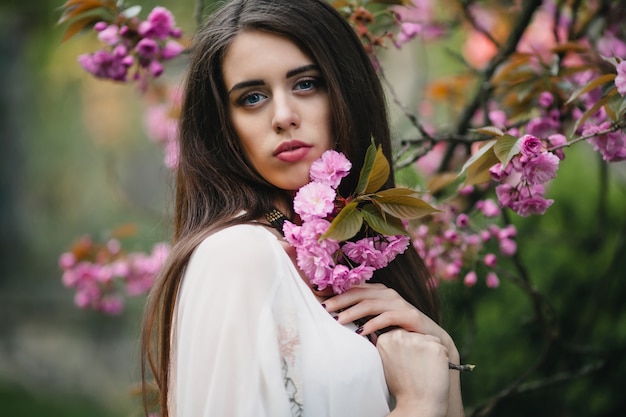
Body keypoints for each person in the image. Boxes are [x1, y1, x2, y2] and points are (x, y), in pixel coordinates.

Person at [141, 0, 464, 416]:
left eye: (306, 84)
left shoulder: (351, 254)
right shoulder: (238, 255)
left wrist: (444, 360)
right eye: (252, 97)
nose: (283, 116)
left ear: (345, 90)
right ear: (224, 128)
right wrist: (418, 402)